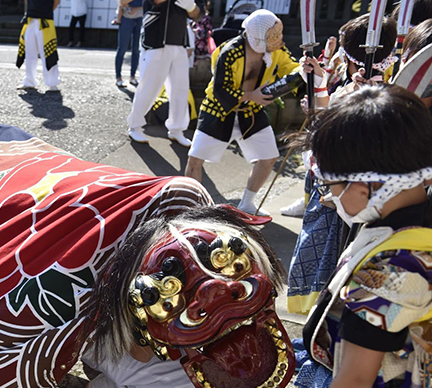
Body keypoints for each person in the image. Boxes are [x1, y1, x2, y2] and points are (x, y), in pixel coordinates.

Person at [261, 84, 432, 388]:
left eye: (333, 186)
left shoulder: (389, 271)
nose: (326, 198)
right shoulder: (410, 224)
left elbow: (356, 375)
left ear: (370, 184)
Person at [80, 204, 294, 388]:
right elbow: (139, 353)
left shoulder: (211, 232)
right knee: (177, 387)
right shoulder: (137, 289)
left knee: (199, 371)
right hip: (109, 338)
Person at [285, 15, 397, 315]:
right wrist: (320, 87)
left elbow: (325, 138)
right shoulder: (394, 93)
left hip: (342, 196)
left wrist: (321, 99)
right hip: (359, 199)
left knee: (331, 272)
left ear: (348, 58)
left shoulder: (366, 96)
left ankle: (321, 325)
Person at [184, 10, 306, 216]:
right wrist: (250, 95)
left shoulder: (276, 50)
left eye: (279, 34)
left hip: (251, 110)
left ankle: (247, 202)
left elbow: (291, 68)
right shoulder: (229, 52)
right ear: (258, 36)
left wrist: (303, 70)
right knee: (195, 158)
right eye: (274, 36)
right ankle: (191, 206)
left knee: (268, 157)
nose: (279, 40)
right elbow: (220, 90)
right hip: (218, 110)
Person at [127, 0, 200, 146]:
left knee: (180, 90)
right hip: (156, 43)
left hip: (179, 43)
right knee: (148, 88)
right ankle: (135, 126)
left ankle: (177, 129)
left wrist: (191, 6)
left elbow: (197, 14)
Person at [16, 0, 61, 92]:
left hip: (45, 20)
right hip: (30, 19)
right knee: (29, 52)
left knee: (47, 52)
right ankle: (29, 81)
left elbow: (57, 1)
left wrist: (46, 11)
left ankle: (52, 83)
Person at [113, 0, 143, 87]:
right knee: (122, 48)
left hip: (140, 18)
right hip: (126, 17)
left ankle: (132, 76)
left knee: (136, 49)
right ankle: (118, 77)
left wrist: (136, 8)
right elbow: (122, 2)